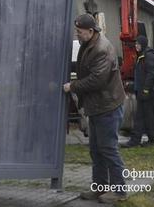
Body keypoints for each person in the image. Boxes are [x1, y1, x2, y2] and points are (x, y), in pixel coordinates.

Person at [64, 13, 127, 204]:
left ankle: (120, 191)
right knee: (96, 150)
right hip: (98, 106)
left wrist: (72, 86)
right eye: (76, 31)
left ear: (91, 31)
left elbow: (97, 80)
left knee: (108, 149)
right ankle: (100, 188)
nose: (77, 34)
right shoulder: (89, 44)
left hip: (108, 106)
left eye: (80, 31)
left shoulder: (102, 49)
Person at [123, 35, 154, 147]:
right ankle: (142, 140)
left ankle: (143, 140)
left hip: (147, 93)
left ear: (142, 44)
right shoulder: (142, 56)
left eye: (138, 44)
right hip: (143, 92)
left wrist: (145, 89)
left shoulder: (148, 56)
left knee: (146, 116)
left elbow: (152, 74)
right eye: (136, 44)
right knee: (143, 116)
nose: (136, 46)